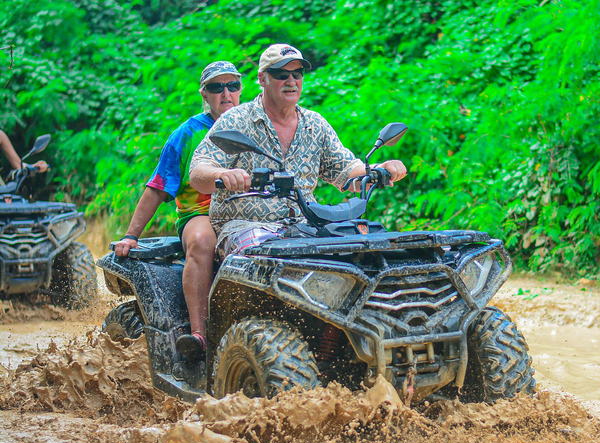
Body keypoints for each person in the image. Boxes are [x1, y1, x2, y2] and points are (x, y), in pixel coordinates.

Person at [189, 43, 407, 264]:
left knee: (365, 254)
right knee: (266, 259)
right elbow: (199, 170)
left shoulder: (315, 124)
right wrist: (224, 175)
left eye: (297, 73)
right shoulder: (235, 120)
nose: (291, 81)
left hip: (306, 227)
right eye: (281, 74)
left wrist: (381, 169)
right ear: (263, 79)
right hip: (247, 226)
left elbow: (348, 171)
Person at [113, 61, 243, 361]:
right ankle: (200, 336)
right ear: (204, 94)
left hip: (252, 212)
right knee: (201, 241)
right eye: (216, 87)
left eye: (232, 86)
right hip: (202, 213)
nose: (225, 93)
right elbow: (158, 186)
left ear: (241, 90)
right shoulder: (187, 134)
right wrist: (131, 235)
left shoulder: (257, 123)